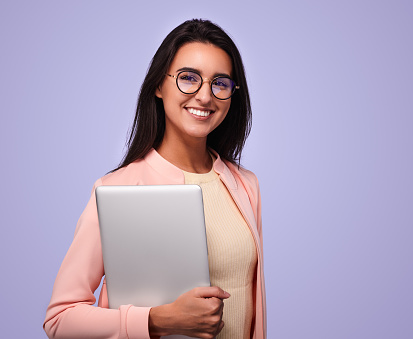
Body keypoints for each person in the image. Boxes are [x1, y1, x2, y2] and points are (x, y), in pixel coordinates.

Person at [43, 19, 266, 339]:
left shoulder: (246, 185)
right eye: (188, 78)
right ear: (159, 85)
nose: (205, 96)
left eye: (220, 82)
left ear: (233, 94)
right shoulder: (116, 190)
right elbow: (60, 319)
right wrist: (156, 320)